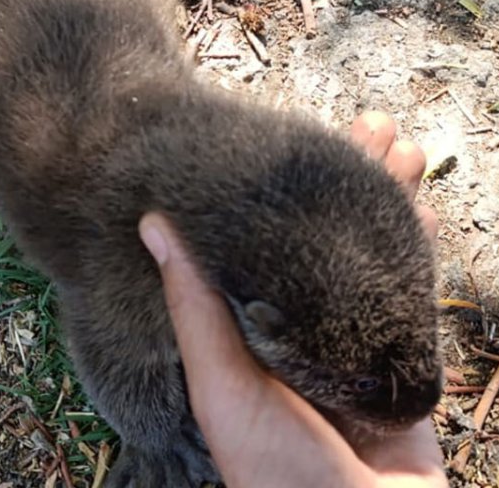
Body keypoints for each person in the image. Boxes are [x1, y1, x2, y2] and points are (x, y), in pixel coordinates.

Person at [139, 112, 451, 488]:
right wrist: (153, 439)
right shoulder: (130, 267)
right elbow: (108, 344)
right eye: (365, 384)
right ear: (268, 322)